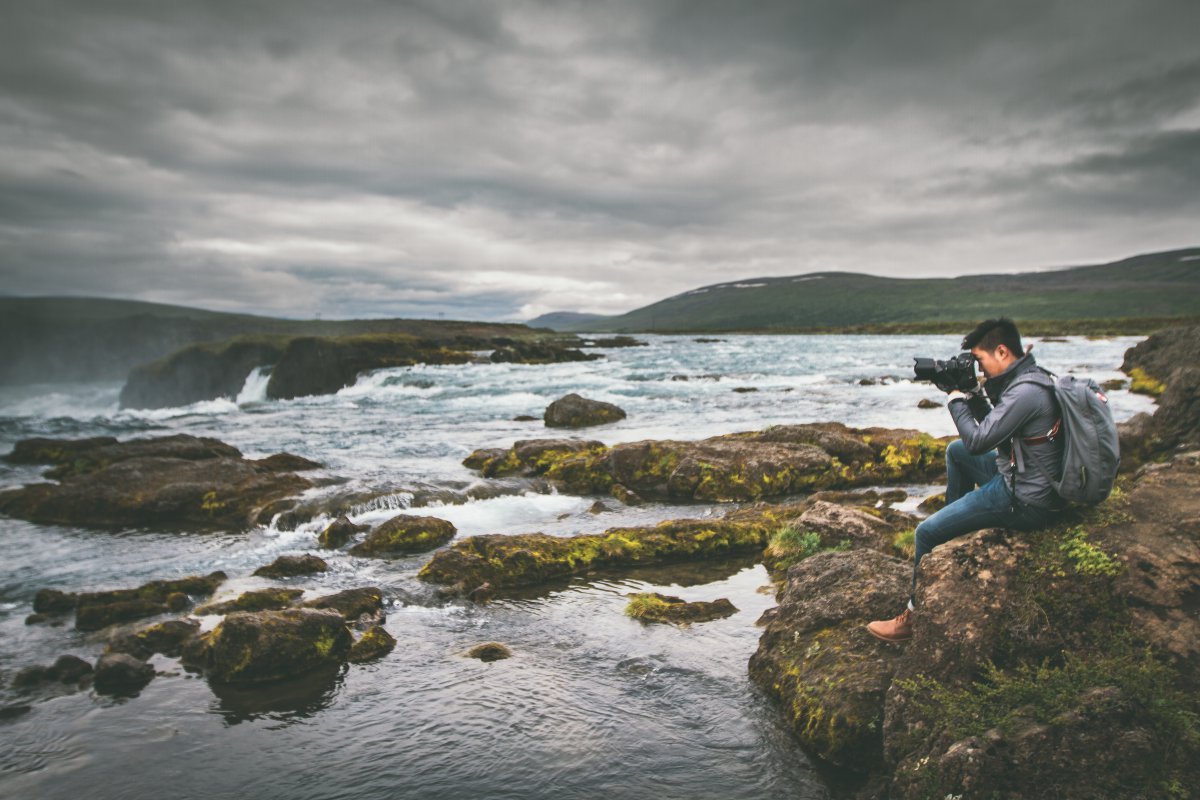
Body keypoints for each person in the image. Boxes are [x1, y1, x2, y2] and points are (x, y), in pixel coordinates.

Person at [867, 318, 1065, 642]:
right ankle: (953, 533)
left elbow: (979, 441)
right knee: (956, 451)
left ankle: (912, 619)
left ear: (1001, 352)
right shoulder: (1032, 380)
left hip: (1025, 499)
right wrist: (974, 393)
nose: (978, 366)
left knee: (925, 532)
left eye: (980, 359)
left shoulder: (1025, 393)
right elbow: (996, 435)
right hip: (1023, 473)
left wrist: (956, 399)